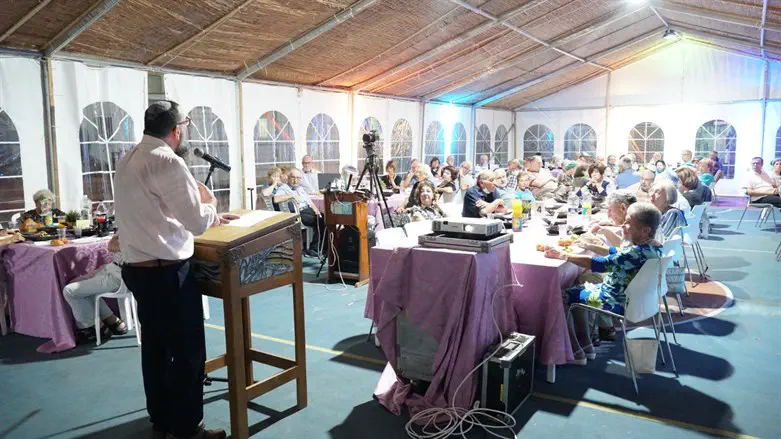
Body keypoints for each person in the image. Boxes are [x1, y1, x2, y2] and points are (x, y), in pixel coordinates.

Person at [115, 101, 237, 439]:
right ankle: (188, 430)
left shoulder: (128, 158)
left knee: (155, 351)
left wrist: (199, 209)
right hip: (166, 273)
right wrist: (211, 207)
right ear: (176, 131)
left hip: (139, 271)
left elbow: (156, 211)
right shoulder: (168, 161)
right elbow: (196, 222)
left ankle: (162, 421)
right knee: (187, 354)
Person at [544, 202, 663, 364]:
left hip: (615, 301)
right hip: (639, 302)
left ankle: (576, 350)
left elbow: (598, 264)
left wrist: (563, 256)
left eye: (629, 223)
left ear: (645, 230)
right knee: (577, 290)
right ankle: (586, 344)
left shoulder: (633, 254)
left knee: (563, 295)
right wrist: (592, 245)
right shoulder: (654, 249)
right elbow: (619, 254)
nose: (623, 226)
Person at [63, 234, 129, 344]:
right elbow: (113, 245)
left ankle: (92, 328)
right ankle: (113, 321)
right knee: (76, 283)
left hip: (120, 276)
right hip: (113, 268)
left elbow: (112, 246)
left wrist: (116, 238)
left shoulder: (135, 228)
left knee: (69, 291)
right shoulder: (133, 225)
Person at [275, 168, 325, 257]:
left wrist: (316, 210)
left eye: (298, 178)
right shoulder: (284, 187)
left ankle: (323, 248)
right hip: (299, 213)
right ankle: (314, 250)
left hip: (308, 210)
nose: (296, 180)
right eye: (293, 178)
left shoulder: (300, 188)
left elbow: (309, 202)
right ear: (288, 178)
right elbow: (276, 199)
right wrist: (291, 195)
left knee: (327, 219)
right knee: (322, 222)